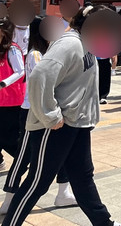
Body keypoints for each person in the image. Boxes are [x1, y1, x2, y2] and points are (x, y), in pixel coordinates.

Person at [1, 5, 121, 226]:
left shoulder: (87, 44)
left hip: (77, 123)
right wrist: (52, 116)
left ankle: (105, 223)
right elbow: (40, 76)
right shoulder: (70, 43)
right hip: (56, 126)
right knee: (37, 183)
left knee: (82, 177)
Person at [2, 18, 76, 214]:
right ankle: (9, 199)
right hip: (34, 111)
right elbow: (43, 85)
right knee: (23, 157)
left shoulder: (50, 52)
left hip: (51, 110)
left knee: (61, 152)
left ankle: (64, 192)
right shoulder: (36, 54)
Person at [0, 18, 25, 181]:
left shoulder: (12, 49)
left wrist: (3, 83)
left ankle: (24, 159)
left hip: (11, 100)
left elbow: (20, 71)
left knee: (9, 135)